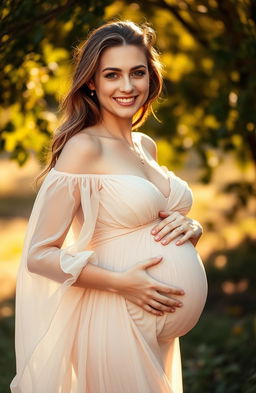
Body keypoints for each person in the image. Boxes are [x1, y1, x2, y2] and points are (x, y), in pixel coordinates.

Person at [10, 20, 208, 393]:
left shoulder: (145, 145)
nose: (127, 86)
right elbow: (39, 255)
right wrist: (122, 284)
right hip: (113, 313)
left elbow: (156, 221)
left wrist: (191, 228)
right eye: (112, 75)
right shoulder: (84, 149)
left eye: (137, 72)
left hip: (157, 325)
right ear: (91, 82)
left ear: (151, 77)